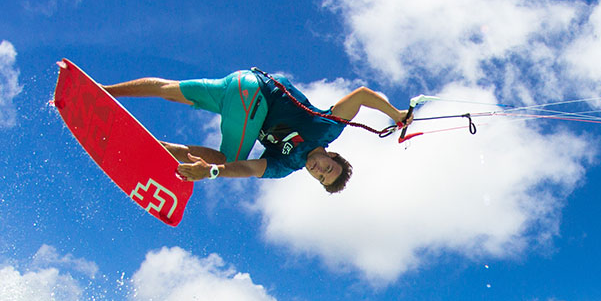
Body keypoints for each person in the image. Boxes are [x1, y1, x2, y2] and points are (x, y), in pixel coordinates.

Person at [101, 69, 411, 193]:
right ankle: (159, 147)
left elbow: (251, 167)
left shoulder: (285, 165)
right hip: (254, 96)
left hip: (238, 84)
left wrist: (215, 171)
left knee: (169, 90)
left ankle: (104, 92)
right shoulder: (327, 129)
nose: (318, 170)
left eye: (320, 177)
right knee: (224, 158)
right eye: (327, 168)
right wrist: (396, 114)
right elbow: (361, 95)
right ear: (333, 157)